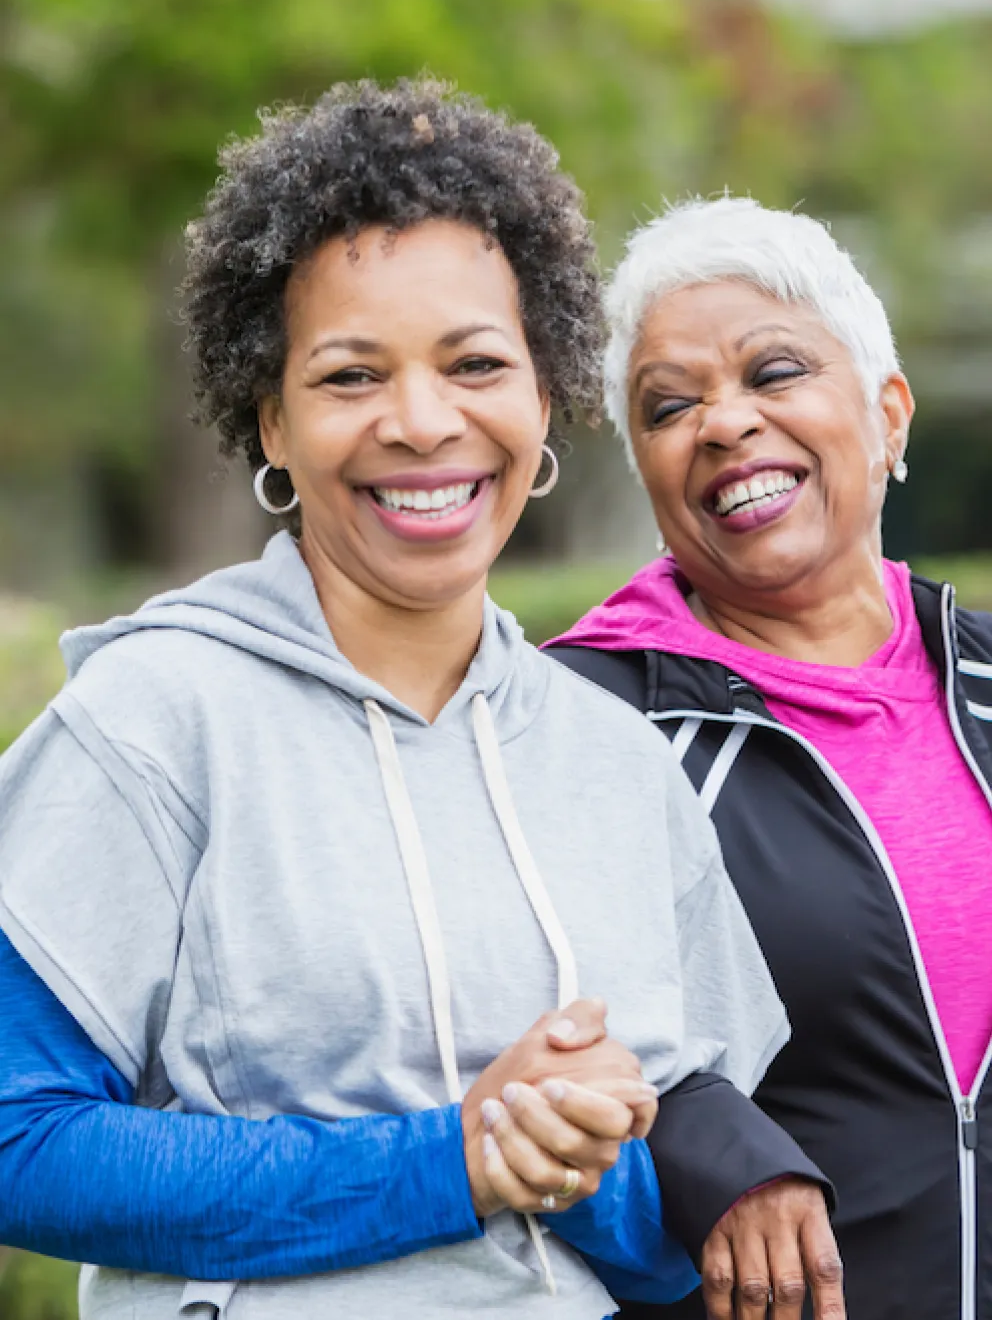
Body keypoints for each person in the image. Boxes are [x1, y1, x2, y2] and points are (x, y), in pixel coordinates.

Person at [0, 85, 805, 1320]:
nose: (423, 422)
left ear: (544, 398)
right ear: (270, 417)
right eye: (348, 375)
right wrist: (453, 1160)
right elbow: (19, 1144)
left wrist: (583, 1163)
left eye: (476, 363)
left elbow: (652, 1236)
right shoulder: (154, 720)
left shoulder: (614, 764)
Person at [548, 194, 992, 1320]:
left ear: (887, 414)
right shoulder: (576, 717)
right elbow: (508, 1007)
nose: (723, 422)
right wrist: (702, 1140)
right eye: (669, 405)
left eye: (773, 372)